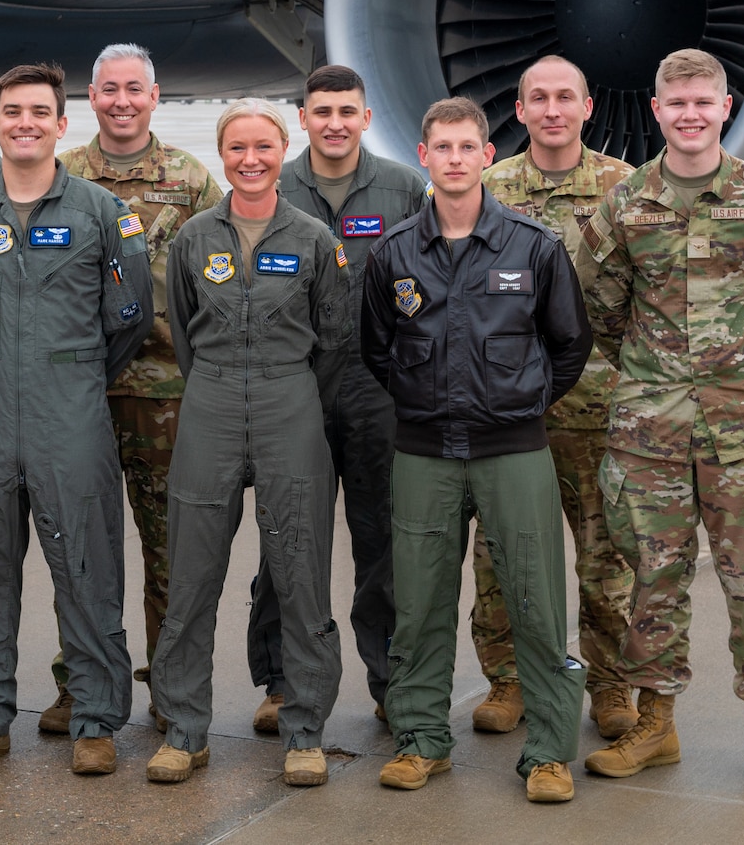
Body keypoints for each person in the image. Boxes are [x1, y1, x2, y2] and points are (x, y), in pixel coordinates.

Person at [576, 49, 744, 794]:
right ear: (658, 110)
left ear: (724, 107)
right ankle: (656, 723)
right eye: (676, 102)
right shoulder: (625, 206)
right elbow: (601, 307)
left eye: (702, 102)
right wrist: (659, 377)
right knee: (653, 578)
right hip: (650, 429)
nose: (689, 114)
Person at [362, 96, 592, 805]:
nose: (455, 159)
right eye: (443, 147)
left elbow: (569, 345)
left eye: (468, 147)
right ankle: (421, 739)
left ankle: (550, 750)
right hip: (424, 450)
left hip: (513, 451)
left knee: (536, 600)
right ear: (423, 156)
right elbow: (378, 350)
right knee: (421, 601)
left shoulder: (534, 246)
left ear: (487, 156)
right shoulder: (394, 251)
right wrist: (428, 400)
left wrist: (516, 404)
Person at [0, 63, 152, 777]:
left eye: (40, 111)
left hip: (72, 412)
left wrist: (75, 374)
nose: (25, 121)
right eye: (12, 111)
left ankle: (94, 718)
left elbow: (130, 316)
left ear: (62, 124)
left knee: (87, 566)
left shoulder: (100, 211)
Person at [146, 100, 350, 790]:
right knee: (193, 572)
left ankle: (303, 729)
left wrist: (285, 388)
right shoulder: (193, 238)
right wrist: (219, 384)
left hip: (290, 398)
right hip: (209, 399)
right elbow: (180, 321)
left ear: (282, 148)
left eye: (264, 146)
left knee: (300, 570)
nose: (251, 158)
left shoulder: (315, 237)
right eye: (238, 148)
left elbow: (332, 336)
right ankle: (183, 729)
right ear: (223, 153)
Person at [42, 43, 224, 733]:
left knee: (169, 552)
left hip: (168, 396)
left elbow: (218, 277)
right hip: (80, 392)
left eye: (134, 89)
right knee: (82, 549)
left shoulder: (190, 178)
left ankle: (171, 689)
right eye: (109, 89)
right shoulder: (61, 175)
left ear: (155, 95)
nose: (122, 100)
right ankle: (81, 683)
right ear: (91, 96)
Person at [462, 56, 639, 740]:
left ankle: (612, 686)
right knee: (501, 554)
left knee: (606, 557)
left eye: (566, 96)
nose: (553, 108)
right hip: (511, 413)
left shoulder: (624, 188)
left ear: (587, 107)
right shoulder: (489, 187)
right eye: (540, 97)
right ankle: (507, 681)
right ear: (522, 107)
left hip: (600, 408)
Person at [248, 63, 426, 732]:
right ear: (303, 117)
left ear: (366, 117)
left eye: (346, 110)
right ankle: (282, 678)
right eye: (321, 110)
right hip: (294, 389)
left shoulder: (405, 188)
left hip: (380, 392)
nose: (334, 122)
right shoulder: (274, 185)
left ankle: (392, 679)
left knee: (383, 540)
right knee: (287, 538)